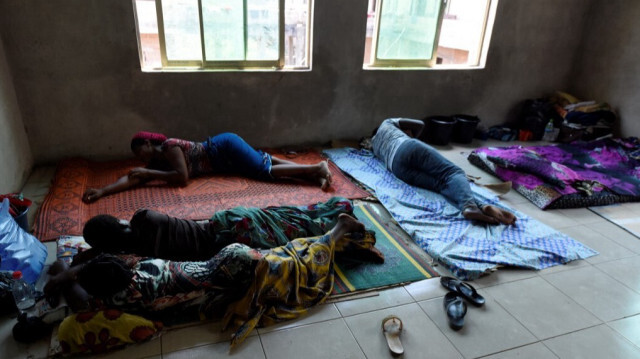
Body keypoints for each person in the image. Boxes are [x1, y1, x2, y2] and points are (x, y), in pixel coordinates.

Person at [43, 214, 369, 318]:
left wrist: (63, 279)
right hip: (229, 257)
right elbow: (73, 267)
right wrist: (69, 274)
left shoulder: (121, 297)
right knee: (288, 256)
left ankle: (338, 230)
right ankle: (330, 233)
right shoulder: (138, 264)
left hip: (238, 271)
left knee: (305, 272)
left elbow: (79, 300)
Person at [78, 197, 354, 262]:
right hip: (227, 221)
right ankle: (338, 209)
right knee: (291, 217)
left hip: (234, 240)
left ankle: (340, 221)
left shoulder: (137, 257)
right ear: (118, 222)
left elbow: (103, 259)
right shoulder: (143, 217)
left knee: (299, 234)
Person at [82, 132, 333, 203]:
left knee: (262, 170)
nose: (140, 159)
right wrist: (103, 192)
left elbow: (182, 178)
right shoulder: (155, 162)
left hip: (224, 148)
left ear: (148, 143)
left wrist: (149, 173)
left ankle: (317, 165)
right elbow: (133, 178)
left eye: (140, 152)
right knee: (264, 160)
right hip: (224, 160)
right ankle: (314, 174)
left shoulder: (170, 147)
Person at [372, 118, 516, 225]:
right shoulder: (387, 123)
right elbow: (420, 125)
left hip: (397, 168)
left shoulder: (374, 145)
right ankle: (470, 206)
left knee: (441, 184)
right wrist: (413, 137)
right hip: (407, 147)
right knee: (453, 173)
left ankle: (480, 206)